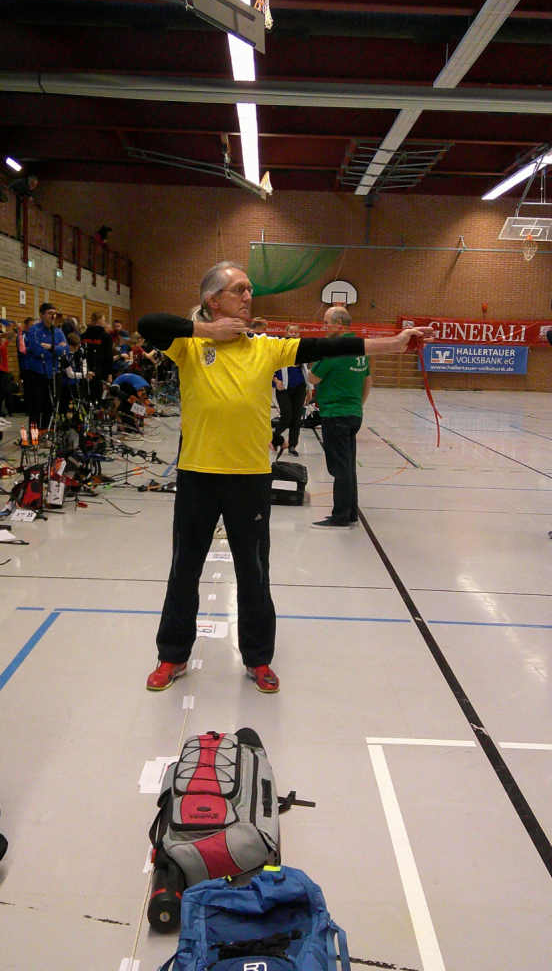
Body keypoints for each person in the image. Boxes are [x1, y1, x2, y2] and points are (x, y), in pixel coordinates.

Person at [137, 260, 434, 695]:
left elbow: (327, 347)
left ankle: (258, 658)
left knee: (254, 571)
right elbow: (148, 323)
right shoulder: (188, 345)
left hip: (250, 478)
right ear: (212, 300)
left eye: (249, 290)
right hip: (198, 475)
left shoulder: (266, 348)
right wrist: (208, 331)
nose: (248, 296)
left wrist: (393, 343)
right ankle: (172, 655)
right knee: (185, 568)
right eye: (239, 289)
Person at [308, 306, 372, 530]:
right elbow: (368, 381)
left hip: (335, 415)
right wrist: (357, 406)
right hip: (353, 414)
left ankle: (341, 516)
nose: (324, 326)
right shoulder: (360, 348)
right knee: (348, 467)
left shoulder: (335, 349)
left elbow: (313, 378)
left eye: (326, 322)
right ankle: (351, 512)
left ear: (338, 324)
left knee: (340, 469)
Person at [25, 302, 68, 430]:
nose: (53, 316)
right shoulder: (34, 330)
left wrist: (49, 347)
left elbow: (65, 351)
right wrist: (56, 349)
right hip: (37, 373)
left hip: (54, 374)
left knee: (50, 407)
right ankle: (34, 436)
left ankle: (45, 434)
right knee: (36, 408)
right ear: (42, 315)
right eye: (50, 313)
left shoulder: (59, 332)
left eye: (54, 313)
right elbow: (37, 350)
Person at [271, 323, 312, 456]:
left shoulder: (302, 348)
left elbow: (305, 369)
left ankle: (292, 445)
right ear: (286, 332)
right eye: (291, 332)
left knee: (296, 418)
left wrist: (309, 389)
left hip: (299, 386)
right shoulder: (279, 347)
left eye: (296, 332)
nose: (293, 334)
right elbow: (270, 366)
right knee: (286, 416)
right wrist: (276, 381)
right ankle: (274, 438)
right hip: (283, 387)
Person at [81, 311, 113, 402]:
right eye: (104, 320)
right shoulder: (106, 337)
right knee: (100, 396)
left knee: (87, 394)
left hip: (86, 369)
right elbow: (108, 355)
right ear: (99, 321)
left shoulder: (84, 336)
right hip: (101, 370)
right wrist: (109, 373)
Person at [8, 175, 38, 240]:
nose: (33, 186)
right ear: (29, 182)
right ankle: (15, 234)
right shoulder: (22, 184)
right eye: (32, 184)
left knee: (19, 218)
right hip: (12, 202)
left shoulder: (28, 188)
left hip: (16, 204)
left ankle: (17, 234)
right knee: (16, 218)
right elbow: (25, 193)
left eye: (35, 185)